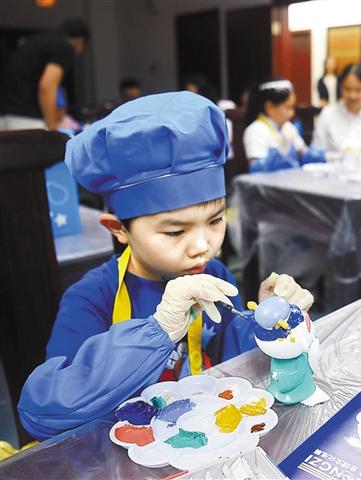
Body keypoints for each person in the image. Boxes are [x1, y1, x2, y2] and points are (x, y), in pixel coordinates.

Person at [17, 92, 313, 440]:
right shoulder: (92, 297)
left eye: (215, 220)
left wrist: (269, 322)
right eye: (175, 231)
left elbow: (237, 365)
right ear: (118, 229)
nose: (203, 246)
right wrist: (158, 331)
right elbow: (40, 413)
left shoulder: (214, 275)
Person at [0, 18, 89, 131]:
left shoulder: (35, 41)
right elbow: (47, 86)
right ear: (80, 41)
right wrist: (52, 128)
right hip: (28, 120)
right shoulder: (64, 46)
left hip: (5, 117)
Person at [243, 78, 308, 173]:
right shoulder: (255, 130)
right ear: (269, 106)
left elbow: (303, 151)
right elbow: (256, 168)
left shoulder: (288, 127)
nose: (292, 113)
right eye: (288, 107)